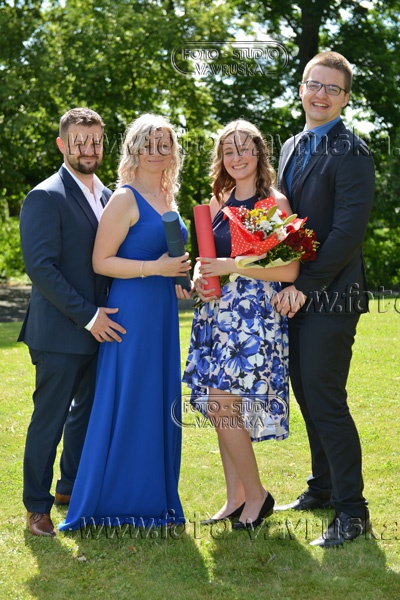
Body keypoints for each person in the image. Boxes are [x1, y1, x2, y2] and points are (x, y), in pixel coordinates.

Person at [58, 114, 191, 532]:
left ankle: (155, 497)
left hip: (162, 313)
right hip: (131, 313)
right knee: (131, 397)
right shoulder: (124, 198)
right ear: (133, 148)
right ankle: (115, 499)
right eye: (148, 144)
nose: (156, 151)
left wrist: (181, 279)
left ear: (173, 152)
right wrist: (155, 269)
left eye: (164, 144)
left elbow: (169, 259)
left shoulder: (168, 197)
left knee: (157, 399)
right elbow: (102, 261)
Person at [272, 51, 374, 548]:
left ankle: (353, 513)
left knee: (326, 398)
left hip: (331, 298)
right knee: (307, 393)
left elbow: (346, 233)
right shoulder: (291, 146)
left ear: (345, 99)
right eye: (315, 84)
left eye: (333, 88)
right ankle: (324, 487)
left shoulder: (353, 152)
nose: (321, 94)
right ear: (301, 88)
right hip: (293, 295)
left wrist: (303, 288)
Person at [181, 120, 299, 530]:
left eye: (244, 148)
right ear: (222, 159)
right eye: (228, 151)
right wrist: (199, 278)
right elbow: (206, 260)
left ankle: (257, 494)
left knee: (221, 404)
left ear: (259, 152)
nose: (237, 157)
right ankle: (235, 498)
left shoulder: (273, 203)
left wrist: (232, 266)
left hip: (253, 319)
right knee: (222, 407)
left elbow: (289, 269)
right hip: (216, 314)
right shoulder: (219, 200)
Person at [19, 107, 126, 537]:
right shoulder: (45, 196)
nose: (89, 149)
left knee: (87, 414)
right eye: (80, 142)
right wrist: (89, 316)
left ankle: (70, 488)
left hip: (104, 330)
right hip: (61, 332)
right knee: (50, 420)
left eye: (95, 141)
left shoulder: (110, 195)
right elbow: (42, 269)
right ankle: (36, 506)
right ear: (63, 144)